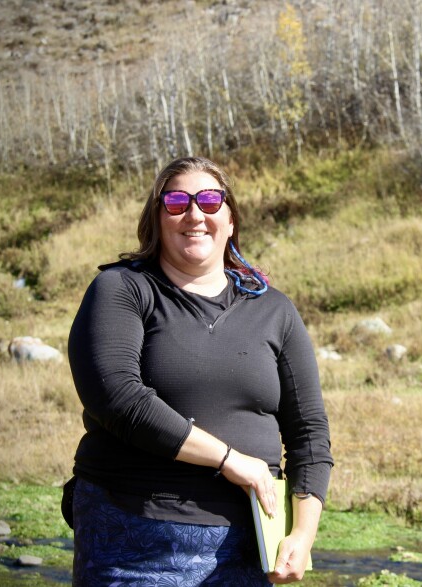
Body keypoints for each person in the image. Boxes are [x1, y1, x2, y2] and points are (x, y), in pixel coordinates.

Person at [66, 156, 333, 586]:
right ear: (156, 219)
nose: (194, 214)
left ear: (230, 220)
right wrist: (230, 460)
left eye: (210, 200)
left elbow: (309, 433)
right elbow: (116, 399)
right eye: (176, 202)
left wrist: (302, 533)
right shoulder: (122, 289)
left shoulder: (274, 310)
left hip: (249, 544)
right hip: (133, 537)